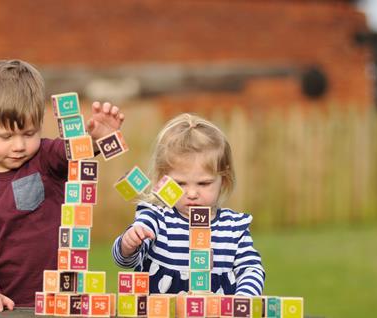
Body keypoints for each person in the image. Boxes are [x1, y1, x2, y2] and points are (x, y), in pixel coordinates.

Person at [0, 59, 124, 312]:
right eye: (6, 136)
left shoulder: (45, 156)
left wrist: (98, 138)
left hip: (63, 298)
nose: (19, 146)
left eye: (29, 133)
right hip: (6, 303)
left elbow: (74, 152)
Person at [112, 113, 265, 295]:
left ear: (223, 181)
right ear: (163, 181)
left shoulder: (233, 227)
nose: (192, 194)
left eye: (204, 183)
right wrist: (128, 245)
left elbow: (252, 269)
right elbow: (125, 261)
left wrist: (243, 299)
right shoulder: (155, 216)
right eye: (180, 184)